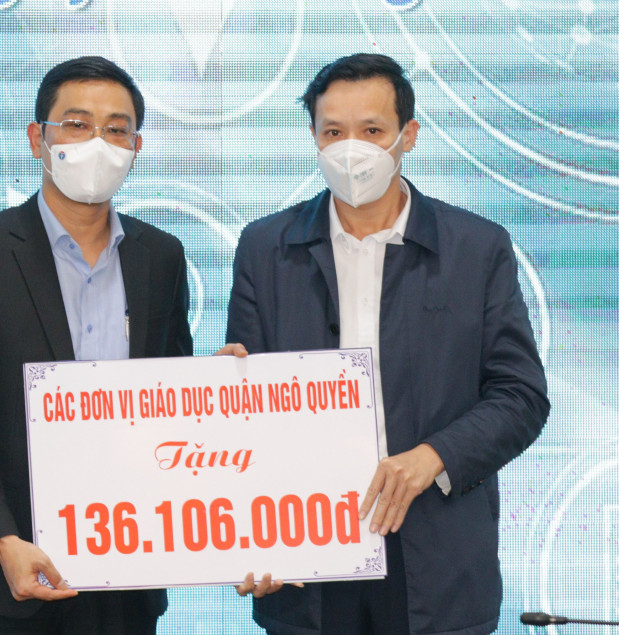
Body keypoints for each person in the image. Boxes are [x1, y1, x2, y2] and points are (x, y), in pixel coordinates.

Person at [226, 53, 550, 634]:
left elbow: (521, 396)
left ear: (409, 136)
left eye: (372, 130)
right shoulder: (265, 247)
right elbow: (247, 410)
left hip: (437, 556)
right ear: (313, 137)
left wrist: (434, 457)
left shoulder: (476, 248)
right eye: (334, 132)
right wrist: (223, 391)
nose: (352, 149)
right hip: (306, 556)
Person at [0, 56, 193, 634]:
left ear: (136, 147)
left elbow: (169, 397)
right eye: (77, 124)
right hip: (2, 579)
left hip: (125, 573)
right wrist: (2, 540)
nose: (98, 143)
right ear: (38, 138)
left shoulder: (160, 257)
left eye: (117, 129)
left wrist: (221, 390)